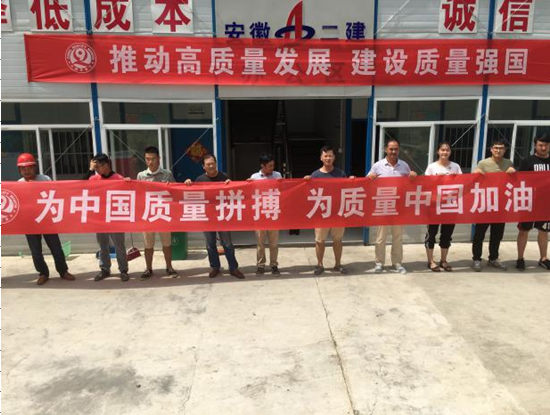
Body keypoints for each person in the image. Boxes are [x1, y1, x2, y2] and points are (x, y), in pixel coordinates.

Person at [17, 153, 75, 286]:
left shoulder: (45, 179)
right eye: (23, 168)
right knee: (36, 251)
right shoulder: (18, 184)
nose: (26, 171)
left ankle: (63, 271)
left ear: (35, 167)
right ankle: (43, 273)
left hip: (47, 220)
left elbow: (55, 194)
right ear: (19, 170)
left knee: (56, 248)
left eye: (29, 167)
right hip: (30, 223)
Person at [184, 155, 245, 279]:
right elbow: (193, 195)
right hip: (207, 217)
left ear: (216, 163)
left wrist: (231, 184)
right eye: (208, 164)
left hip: (222, 215)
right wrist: (188, 184)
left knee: (227, 244)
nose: (211, 166)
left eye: (213, 163)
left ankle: (233, 268)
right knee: (210, 244)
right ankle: (215, 267)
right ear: (203, 166)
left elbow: (233, 194)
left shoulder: (224, 177)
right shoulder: (199, 180)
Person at [367, 138, 417, 274]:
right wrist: (370, 178)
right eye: (391, 149)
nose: (393, 151)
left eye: (396, 149)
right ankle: (379, 263)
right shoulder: (378, 166)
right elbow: (367, 182)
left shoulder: (404, 166)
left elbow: (411, 183)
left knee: (397, 237)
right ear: (385, 150)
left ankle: (397, 263)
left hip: (399, 208)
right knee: (380, 238)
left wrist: (413, 176)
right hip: (383, 206)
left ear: (399, 150)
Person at [304, 146, 354, 276]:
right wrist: (306, 182)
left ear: (334, 157)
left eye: (330, 156)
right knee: (320, 241)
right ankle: (320, 265)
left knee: (338, 240)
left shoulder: (340, 174)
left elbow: (347, 189)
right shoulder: (315, 175)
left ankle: (338, 264)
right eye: (325, 156)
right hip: (321, 213)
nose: (328, 158)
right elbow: (308, 193)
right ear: (321, 158)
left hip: (337, 213)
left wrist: (352, 181)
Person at [472, 139, 516, 272]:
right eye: (496, 148)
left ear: (505, 150)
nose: (498, 150)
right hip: (485, 204)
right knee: (479, 234)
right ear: (491, 149)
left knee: (497, 234)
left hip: (501, 205)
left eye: (501, 148)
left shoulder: (508, 163)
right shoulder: (483, 163)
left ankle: (493, 258)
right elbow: (474, 179)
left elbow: (513, 182)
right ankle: (477, 259)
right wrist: (476, 173)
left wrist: (514, 172)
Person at [136, 146, 179, 279]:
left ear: (159, 158)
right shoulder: (141, 175)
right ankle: (148, 269)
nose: (150, 162)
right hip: (148, 215)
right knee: (148, 244)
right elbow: (137, 194)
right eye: (147, 159)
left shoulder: (167, 174)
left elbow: (176, 192)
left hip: (163, 213)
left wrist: (171, 186)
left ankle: (169, 267)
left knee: (167, 243)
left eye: (153, 159)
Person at [88, 154, 130, 282]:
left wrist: (129, 184)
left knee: (119, 246)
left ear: (106, 165)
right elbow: (80, 186)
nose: (96, 170)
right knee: (103, 246)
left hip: (115, 218)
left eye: (98, 167)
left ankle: (123, 270)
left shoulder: (119, 179)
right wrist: (90, 170)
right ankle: (105, 269)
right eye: (95, 167)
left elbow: (130, 194)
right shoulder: (93, 179)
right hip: (100, 218)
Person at [424, 142, 463, 272]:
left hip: (450, 205)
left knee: (447, 234)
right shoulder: (432, 167)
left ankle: (443, 260)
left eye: (447, 150)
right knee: (431, 233)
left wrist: (455, 179)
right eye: (442, 150)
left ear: (450, 152)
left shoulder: (455, 166)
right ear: (438, 151)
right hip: (434, 205)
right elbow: (425, 185)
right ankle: (430, 261)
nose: (445, 152)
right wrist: (436, 179)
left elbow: (462, 183)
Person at [516, 133, 550, 271]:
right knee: (524, 230)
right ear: (535, 145)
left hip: (546, 203)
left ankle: (543, 258)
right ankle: (520, 258)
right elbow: (520, 181)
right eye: (540, 145)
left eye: (546, 145)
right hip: (529, 202)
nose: (543, 148)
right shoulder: (527, 161)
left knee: (544, 231)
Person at [249, 153, 282, 275]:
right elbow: (250, 194)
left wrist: (281, 183)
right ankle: (260, 265)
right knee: (260, 243)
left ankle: (274, 264)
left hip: (273, 213)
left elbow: (283, 191)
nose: (272, 168)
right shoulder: (254, 177)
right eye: (269, 166)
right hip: (260, 214)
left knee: (273, 243)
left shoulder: (277, 175)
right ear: (262, 166)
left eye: (273, 165)